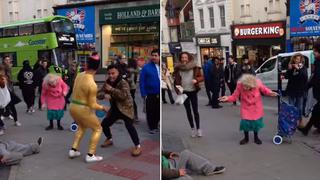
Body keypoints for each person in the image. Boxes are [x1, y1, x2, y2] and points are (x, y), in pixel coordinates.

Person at [68, 52, 109, 163]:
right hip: (83, 109)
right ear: (98, 67)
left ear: (87, 64)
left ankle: (73, 149)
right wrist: (103, 108)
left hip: (72, 107)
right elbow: (92, 105)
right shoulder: (92, 84)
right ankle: (90, 154)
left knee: (82, 127)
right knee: (98, 129)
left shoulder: (80, 75)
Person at [219, 74, 278, 145]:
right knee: (245, 123)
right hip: (245, 107)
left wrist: (270, 92)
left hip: (256, 107)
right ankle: (246, 138)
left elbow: (265, 89)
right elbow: (235, 96)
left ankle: (256, 138)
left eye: (247, 87)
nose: (245, 88)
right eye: (244, 86)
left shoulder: (257, 83)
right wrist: (227, 98)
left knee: (256, 123)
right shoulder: (240, 85)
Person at [98, 65, 142, 156]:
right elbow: (99, 93)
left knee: (129, 126)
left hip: (126, 108)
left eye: (113, 73)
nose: (111, 75)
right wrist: (103, 95)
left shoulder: (123, 82)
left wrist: (111, 90)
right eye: (109, 73)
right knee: (104, 124)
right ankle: (109, 139)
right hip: (115, 109)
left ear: (118, 73)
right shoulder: (108, 82)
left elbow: (123, 96)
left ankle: (138, 146)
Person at [174, 52, 204, 137]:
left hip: (193, 91)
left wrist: (196, 80)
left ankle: (198, 129)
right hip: (184, 92)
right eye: (182, 58)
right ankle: (192, 129)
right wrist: (178, 90)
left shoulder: (195, 67)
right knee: (188, 111)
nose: (184, 59)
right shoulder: (178, 69)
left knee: (195, 111)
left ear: (189, 58)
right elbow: (176, 82)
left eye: (185, 57)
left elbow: (202, 77)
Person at [298, 43, 320, 135]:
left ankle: (306, 129)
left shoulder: (318, 62)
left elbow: (316, 77)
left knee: (316, 110)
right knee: (316, 110)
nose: (313, 53)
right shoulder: (317, 61)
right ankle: (309, 128)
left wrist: (307, 87)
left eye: (314, 51)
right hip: (318, 89)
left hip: (319, 89)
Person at [139, 49, 160, 134]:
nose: (154, 57)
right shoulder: (146, 67)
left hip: (159, 92)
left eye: (156, 55)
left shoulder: (161, 66)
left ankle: (156, 124)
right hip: (150, 93)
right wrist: (143, 93)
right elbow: (142, 81)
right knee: (150, 111)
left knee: (158, 111)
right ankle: (152, 127)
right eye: (153, 55)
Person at [285, 53, 308, 127]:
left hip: (300, 90)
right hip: (292, 90)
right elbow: (286, 77)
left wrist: (298, 69)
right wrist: (289, 69)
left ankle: (300, 120)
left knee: (299, 107)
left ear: (301, 60)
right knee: (291, 106)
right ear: (293, 59)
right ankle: (292, 122)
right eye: (296, 59)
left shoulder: (303, 67)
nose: (297, 60)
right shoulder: (291, 66)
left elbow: (305, 77)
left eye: (299, 59)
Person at [1, 56, 22, 127]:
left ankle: (15, 120)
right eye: (6, 60)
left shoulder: (9, 68)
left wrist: (14, 82)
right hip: (4, 92)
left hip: (9, 90)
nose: (7, 61)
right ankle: (5, 119)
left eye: (8, 60)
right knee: (4, 106)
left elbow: (9, 79)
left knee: (11, 106)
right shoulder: (4, 68)